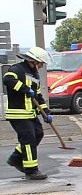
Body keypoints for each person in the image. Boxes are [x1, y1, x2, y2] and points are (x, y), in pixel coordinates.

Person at [4, 47, 53, 180]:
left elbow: (37, 96)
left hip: (30, 113)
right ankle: (31, 170)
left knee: (38, 133)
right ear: (34, 61)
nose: (41, 66)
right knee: (29, 139)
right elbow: (7, 80)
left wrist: (46, 112)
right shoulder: (17, 69)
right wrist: (25, 89)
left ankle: (16, 158)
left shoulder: (34, 74)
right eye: (41, 63)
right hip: (18, 113)